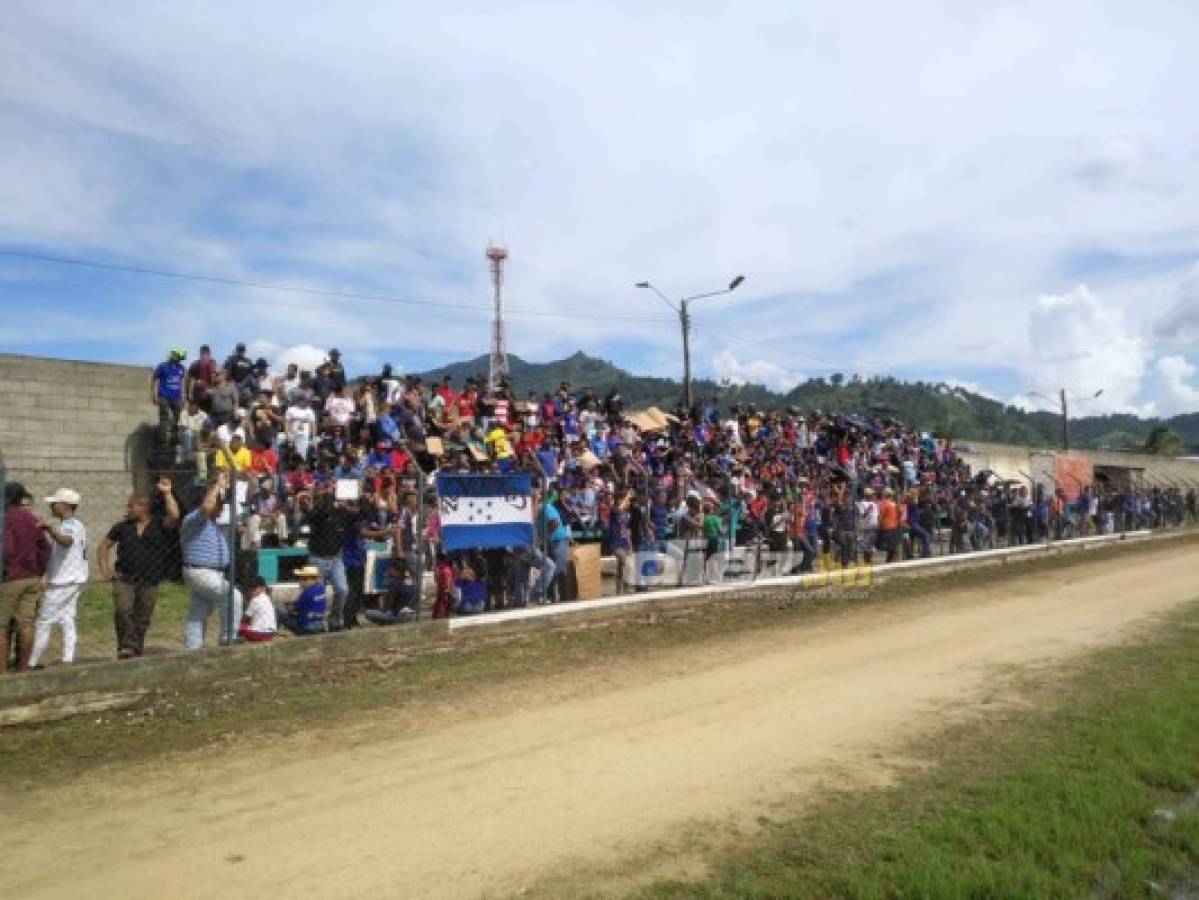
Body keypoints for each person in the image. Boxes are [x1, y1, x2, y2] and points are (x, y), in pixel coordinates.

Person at [97, 477, 181, 658]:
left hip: (150, 578)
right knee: (123, 611)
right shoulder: (122, 527)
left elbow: (174, 515)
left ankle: (136, 648)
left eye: (131, 506)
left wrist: (167, 493)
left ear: (143, 507)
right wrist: (105, 567)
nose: (128, 509)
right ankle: (126, 647)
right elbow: (104, 545)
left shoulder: (159, 524)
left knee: (142, 617)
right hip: (124, 577)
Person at [179, 471, 243, 649]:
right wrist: (218, 486)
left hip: (207, 572)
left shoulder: (210, 523)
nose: (220, 507)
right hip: (202, 571)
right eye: (218, 503)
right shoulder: (194, 519)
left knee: (199, 611)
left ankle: (192, 648)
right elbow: (207, 508)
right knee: (233, 596)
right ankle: (228, 637)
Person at [28, 489, 88, 669]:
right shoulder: (73, 524)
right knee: (67, 618)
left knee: (44, 620)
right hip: (74, 578)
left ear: (66, 506)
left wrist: (49, 530)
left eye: (55, 503)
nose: (51, 506)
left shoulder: (70, 525)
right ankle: (68, 657)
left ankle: (32, 661)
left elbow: (67, 541)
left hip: (64, 581)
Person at [2, 483, 51, 673]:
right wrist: (39, 571)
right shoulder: (32, 519)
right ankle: (23, 670)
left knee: (2, 626)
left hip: (9, 578)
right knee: (26, 625)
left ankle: (3, 673)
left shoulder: (5, 520)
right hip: (31, 578)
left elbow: (6, 550)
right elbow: (45, 549)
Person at [302, 490, 353, 629]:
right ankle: (316, 623)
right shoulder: (317, 514)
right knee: (317, 593)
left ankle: (335, 620)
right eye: (328, 501)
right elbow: (314, 514)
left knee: (343, 589)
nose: (332, 504)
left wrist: (345, 506)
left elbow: (360, 514)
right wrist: (327, 503)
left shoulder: (342, 514)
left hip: (336, 558)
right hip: (317, 558)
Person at [276, 566, 326, 635]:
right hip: (321, 625)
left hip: (307, 628)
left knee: (279, 610)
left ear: (308, 580)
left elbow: (292, 609)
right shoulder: (321, 588)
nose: (299, 581)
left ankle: (272, 632)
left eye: (301, 579)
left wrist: (287, 606)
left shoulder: (306, 593)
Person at [152, 349, 187, 445]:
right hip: (164, 396)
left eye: (181, 359)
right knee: (164, 417)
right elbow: (155, 380)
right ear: (173, 356)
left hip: (177, 397)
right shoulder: (162, 366)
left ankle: (175, 439)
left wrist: (183, 396)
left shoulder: (181, 368)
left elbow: (182, 383)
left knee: (178, 419)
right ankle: (163, 440)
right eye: (178, 358)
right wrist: (154, 394)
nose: (179, 360)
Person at [238, 577, 277, 642]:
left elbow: (244, 619)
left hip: (258, 634)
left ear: (262, 588)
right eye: (250, 588)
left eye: (254, 588)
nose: (251, 591)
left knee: (237, 626)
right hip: (271, 634)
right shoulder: (267, 598)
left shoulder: (255, 600)